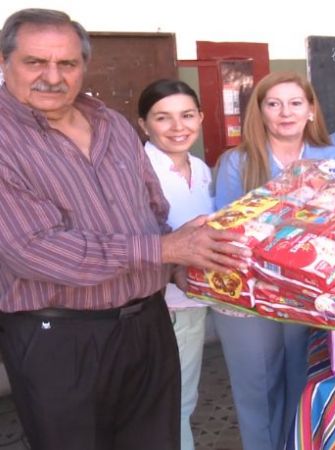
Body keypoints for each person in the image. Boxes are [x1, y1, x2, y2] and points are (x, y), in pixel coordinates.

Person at [0, 8, 248, 450]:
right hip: (61, 339)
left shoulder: (111, 124)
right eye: (35, 62)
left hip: (148, 326)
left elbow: (152, 209)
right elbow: (32, 250)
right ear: (4, 62)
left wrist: (186, 262)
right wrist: (166, 249)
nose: (52, 77)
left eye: (67, 63)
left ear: (84, 66)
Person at [213, 71, 335, 450]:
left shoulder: (334, 159)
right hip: (252, 294)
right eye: (274, 103)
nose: (285, 112)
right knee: (260, 393)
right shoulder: (237, 162)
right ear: (261, 111)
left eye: (295, 103)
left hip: (314, 294)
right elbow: (227, 234)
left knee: (307, 386)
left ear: (311, 110)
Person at [138, 79, 214, 450]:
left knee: (183, 397)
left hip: (191, 302)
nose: (177, 127)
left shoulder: (201, 168)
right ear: (143, 125)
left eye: (186, 115)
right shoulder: (136, 170)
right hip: (152, 303)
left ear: (201, 117)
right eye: (162, 118)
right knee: (167, 403)